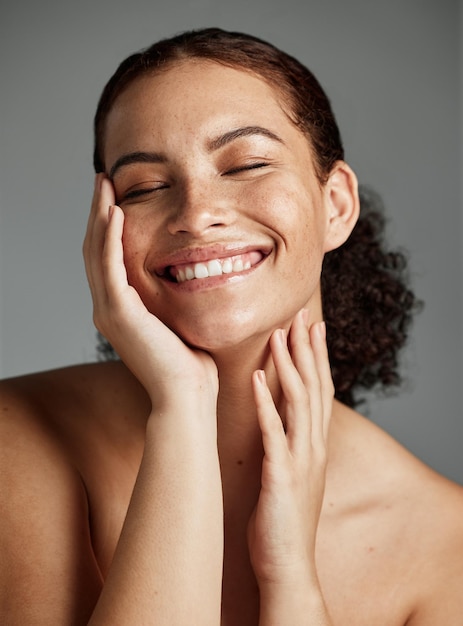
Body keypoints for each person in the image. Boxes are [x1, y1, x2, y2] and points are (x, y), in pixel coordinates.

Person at [1, 27, 462, 625]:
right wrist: (183, 410)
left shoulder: (446, 544)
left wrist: (291, 577)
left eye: (245, 164)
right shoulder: (17, 441)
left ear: (336, 206)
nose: (196, 215)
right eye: (145, 187)